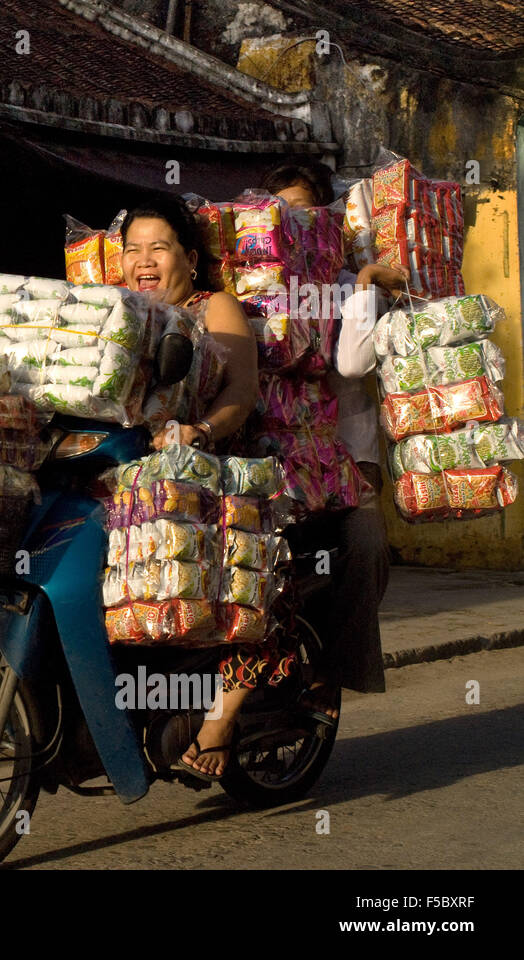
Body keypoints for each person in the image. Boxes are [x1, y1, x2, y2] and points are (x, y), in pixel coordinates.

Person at [120, 197, 279, 781]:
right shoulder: (121, 314)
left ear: (188, 257)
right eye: (133, 249)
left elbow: (241, 390)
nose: (144, 260)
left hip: (213, 475)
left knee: (241, 590)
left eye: (157, 247)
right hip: (136, 481)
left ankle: (221, 717)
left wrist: (200, 431)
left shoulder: (215, 307)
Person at [260, 161, 408, 716]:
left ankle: (333, 672)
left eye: (302, 212)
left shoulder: (348, 285)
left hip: (346, 459)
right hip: (275, 460)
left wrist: (367, 286)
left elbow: (349, 363)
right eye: (280, 214)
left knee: (365, 549)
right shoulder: (260, 286)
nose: (291, 225)